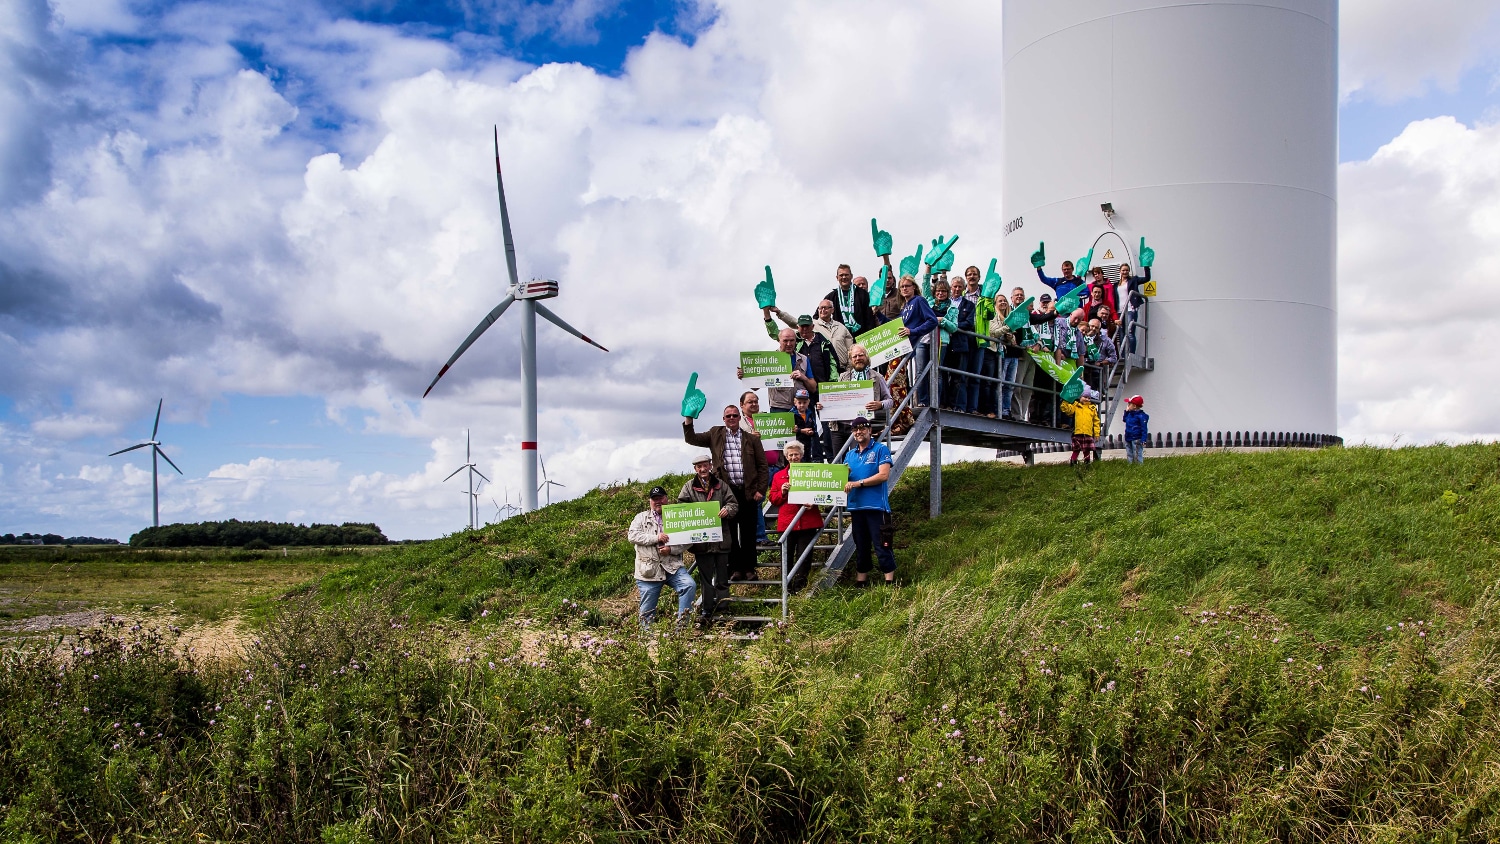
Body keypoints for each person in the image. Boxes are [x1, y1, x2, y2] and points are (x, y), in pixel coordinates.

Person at [683, 405, 769, 581]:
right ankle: (735, 568)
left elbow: (762, 466)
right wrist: (689, 418)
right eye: (728, 415)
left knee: (748, 533)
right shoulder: (715, 433)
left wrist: (761, 490)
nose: (731, 418)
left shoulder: (751, 439)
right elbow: (691, 438)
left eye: (735, 415)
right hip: (726, 495)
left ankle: (749, 568)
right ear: (723, 419)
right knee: (728, 532)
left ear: (739, 417)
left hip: (748, 492)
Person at [677, 455, 738, 624]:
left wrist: (727, 510)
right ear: (695, 469)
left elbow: (733, 503)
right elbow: (681, 506)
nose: (703, 469)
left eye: (705, 465)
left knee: (722, 578)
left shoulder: (721, 485)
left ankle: (724, 607)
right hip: (702, 543)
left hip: (721, 540)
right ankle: (707, 608)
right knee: (705, 578)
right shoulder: (688, 487)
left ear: (710, 465)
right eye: (699, 467)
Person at [628, 484, 696, 628]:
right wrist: (656, 538)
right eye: (655, 499)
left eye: (661, 498)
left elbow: (688, 540)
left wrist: (671, 549)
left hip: (672, 566)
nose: (658, 501)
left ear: (667, 499)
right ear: (650, 501)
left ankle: (682, 629)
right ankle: (647, 640)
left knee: (688, 585)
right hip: (648, 570)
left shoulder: (677, 516)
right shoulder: (640, 517)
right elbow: (632, 536)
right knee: (647, 612)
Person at [842, 417, 895, 585]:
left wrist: (859, 483)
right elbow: (841, 478)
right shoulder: (849, 455)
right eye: (855, 429)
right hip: (856, 507)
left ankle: (890, 582)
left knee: (882, 545)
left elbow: (883, 475)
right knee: (861, 546)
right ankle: (861, 581)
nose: (858, 432)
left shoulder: (881, 449)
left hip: (877, 507)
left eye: (862, 429)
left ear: (869, 430)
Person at [767, 440, 825, 592]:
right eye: (791, 455)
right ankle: (787, 587)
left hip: (807, 520)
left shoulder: (811, 472)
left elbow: (821, 492)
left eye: (796, 454)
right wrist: (783, 492)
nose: (794, 457)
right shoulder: (779, 476)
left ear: (802, 455)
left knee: (804, 556)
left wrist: (814, 502)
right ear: (786, 456)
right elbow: (773, 498)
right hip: (788, 522)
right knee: (786, 557)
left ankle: (800, 587)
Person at [822, 343, 894, 458]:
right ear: (850, 360)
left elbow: (890, 400)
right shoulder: (843, 377)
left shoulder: (877, 377)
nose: (858, 359)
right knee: (838, 461)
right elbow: (835, 399)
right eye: (854, 357)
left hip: (861, 427)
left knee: (858, 459)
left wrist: (880, 404)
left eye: (860, 355)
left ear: (866, 357)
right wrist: (824, 405)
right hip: (839, 426)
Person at [739, 328, 815, 413]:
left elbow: (813, 388)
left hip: (800, 407)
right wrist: (744, 376)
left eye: (792, 340)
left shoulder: (803, 359)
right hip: (779, 408)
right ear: (779, 340)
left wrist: (803, 377)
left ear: (796, 341)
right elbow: (756, 387)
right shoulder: (769, 359)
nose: (789, 344)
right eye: (785, 341)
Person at [897, 275, 939, 407]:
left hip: (919, 342)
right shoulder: (904, 306)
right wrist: (878, 315)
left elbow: (932, 320)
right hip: (908, 346)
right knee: (911, 374)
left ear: (914, 287)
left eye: (907, 286)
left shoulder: (919, 300)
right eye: (902, 286)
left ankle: (923, 401)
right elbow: (896, 326)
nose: (904, 289)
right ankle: (915, 402)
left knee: (919, 372)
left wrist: (913, 331)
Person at [940, 276, 976, 411]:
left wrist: (952, 325)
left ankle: (959, 406)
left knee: (959, 377)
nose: (956, 289)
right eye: (954, 286)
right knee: (943, 374)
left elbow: (969, 323)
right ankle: (945, 403)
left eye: (959, 287)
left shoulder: (969, 305)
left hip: (960, 345)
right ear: (951, 287)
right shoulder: (945, 303)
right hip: (945, 344)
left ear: (963, 288)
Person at [825, 263, 875, 336]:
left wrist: (870, 336)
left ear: (851, 276)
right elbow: (818, 316)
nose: (844, 277)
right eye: (841, 275)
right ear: (837, 278)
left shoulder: (863, 294)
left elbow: (869, 319)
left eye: (846, 275)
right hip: (841, 338)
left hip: (861, 337)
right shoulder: (831, 297)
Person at [1009, 287, 1035, 422]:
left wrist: (1039, 344)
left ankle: (1022, 414)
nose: (1019, 297)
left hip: (1031, 353)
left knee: (1027, 387)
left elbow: (1037, 326)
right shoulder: (1010, 311)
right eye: (1016, 295)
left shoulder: (1028, 314)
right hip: (1018, 352)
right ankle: (1016, 414)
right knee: (1017, 385)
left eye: (1021, 295)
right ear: (1011, 298)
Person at [1060, 389, 1102, 466]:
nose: (1087, 399)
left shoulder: (1092, 408)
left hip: (1088, 434)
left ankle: (1087, 464)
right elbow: (1066, 409)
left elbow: (1096, 422)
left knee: (1087, 450)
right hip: (1077, 433)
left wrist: (1096, 433)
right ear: (1080, 397)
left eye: (1089, 398)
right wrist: (1066, 400)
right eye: (1085, 397)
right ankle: (1073, 463)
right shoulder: (1076, 406)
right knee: (1076, 450)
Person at [791, 388, 821, 462]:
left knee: (808, 460)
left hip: (808, 444)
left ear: (808, 402)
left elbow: (814, 427)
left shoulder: (810, 414)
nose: (802, 405)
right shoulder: (791, 415)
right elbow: (790, 429)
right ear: (795, 402)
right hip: (796, 445)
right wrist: (801, 431)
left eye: (804, 403)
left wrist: (812, 432)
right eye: (799, 402)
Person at [1123, 394, 1149, 465]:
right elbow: (1124, 419)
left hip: (1137, 438)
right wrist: (1126, 411)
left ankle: (1139, 465)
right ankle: (1130, 465)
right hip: (1128, 437)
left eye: (1129, 404)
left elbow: (1144, 428)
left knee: (1137, 453)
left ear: (1134, 406)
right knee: (1129, 452)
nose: (1128, 405)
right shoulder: (1129, 414)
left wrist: (1143, 439)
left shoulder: (1141, 416)